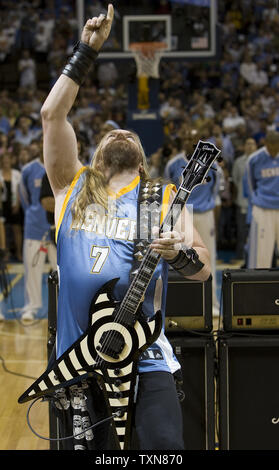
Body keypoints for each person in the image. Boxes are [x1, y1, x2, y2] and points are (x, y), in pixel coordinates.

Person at [40, 5, 211, 450]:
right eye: (110, 132)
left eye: (130, 135)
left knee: (162, 452)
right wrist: (85, 53)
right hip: (80, 361)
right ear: (94, 156)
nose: (120, 132)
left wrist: (179, 254)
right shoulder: (70, 186)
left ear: (142, 160)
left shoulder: (167, 197)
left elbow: (205, 269)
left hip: (147, 357)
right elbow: (51, 116)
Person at [164, 126, 221, 316]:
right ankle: (186, 305)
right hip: (182, 214)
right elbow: (167, 193)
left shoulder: (214, 166)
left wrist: (214, 216)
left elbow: (216, 195)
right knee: (181, 260)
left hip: (205, 214)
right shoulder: (173, 164)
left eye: (194, 138)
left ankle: (212, 303)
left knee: (207, 257)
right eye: (187, 137)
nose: (190, 141)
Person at [19, 137, 57, 322]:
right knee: (33, 269)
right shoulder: (28, 170)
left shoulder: (59, 166)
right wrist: (34, 215)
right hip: (34, 228)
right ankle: (31, 307)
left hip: (57, 229)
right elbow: (24, 199)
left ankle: (60, 307)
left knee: (60, 269)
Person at [245, 130, 279, 268]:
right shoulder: (254, 159)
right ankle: (258, 286)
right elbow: (250, 186)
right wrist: (257, 202)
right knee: (261, 255)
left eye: (276, 145)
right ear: (265, 143)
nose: (273, 148)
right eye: (271, 145)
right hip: (263, 209)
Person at [231, 137, 257, 262]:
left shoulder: (259, 161)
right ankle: (240, 256)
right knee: (241, 232)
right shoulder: (238, 162)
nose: (250, 146)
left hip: (257, 204)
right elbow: (235, 181)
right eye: (248, 144)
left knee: (256, 233)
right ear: (244, 146)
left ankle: (254, 256)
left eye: (252, 144)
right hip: (242, 202)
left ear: (256, 146)